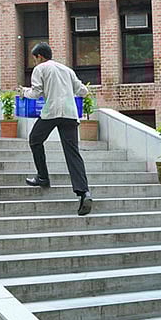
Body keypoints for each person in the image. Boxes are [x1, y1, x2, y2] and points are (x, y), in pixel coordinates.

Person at [21, 42, 92, 216]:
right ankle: (84, 192)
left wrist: (24, 92)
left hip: (51, 112)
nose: (35, 62)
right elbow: (83, 91)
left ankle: (43, 177)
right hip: (70, 114)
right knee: (72, 152)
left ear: (39, 57)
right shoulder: (67, 69)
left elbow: (35, 93)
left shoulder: (40, 69)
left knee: (35, 140)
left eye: (35, 58)